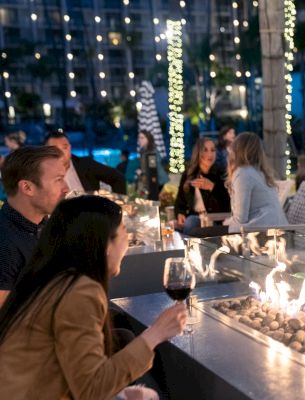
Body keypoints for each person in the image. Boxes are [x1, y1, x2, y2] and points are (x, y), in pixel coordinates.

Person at [0, 195, 187, 398]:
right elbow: (91, 389)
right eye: (124, 230)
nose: (128, 239)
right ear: (106, 245)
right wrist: (156, 334)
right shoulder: (79, 291)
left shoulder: (55, 280)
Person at [0, 146, 69, 306]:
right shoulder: (5, 244)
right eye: (58, 180)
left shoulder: (45, 226)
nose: (66, 188)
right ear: (27, 187)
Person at [226, 132, 288, 232]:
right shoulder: (260, 172)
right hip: (278, 231)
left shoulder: (243, 173)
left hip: (261, 233)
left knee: (197, 233)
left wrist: (226, 222)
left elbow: (240, 218)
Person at [175, 137, 230, 234]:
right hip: (194, 217)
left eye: (213, 150)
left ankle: (187, 246)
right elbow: (180, 200)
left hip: (216, 220)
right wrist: (180, 213)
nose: (210, 154)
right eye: (205, 150)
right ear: (198, 153)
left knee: (192, 222)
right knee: (187, 223)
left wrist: (212, 187)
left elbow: (227, 204)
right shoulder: (189, 174)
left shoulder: (221, 174)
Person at [45, 130, 127, 195]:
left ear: (70, 148)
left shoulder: (85, 165)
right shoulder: (41, 173)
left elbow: (117, 177)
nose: (61, 153)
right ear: (45, 151)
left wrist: (118, 207)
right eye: (54, 149)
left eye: (64, 148)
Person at [126, 131, 169, 201]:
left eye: (142, 138)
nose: (140, 140)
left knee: (151, 201)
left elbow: (153, 168)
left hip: (157, 180)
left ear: (148, 139)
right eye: (139, 138)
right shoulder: (144, 150)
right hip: (151, 180)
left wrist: (142, 172)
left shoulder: (152, 151)